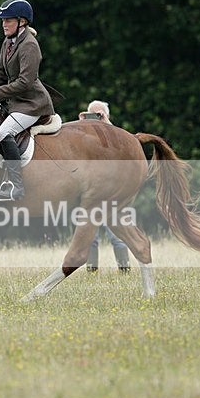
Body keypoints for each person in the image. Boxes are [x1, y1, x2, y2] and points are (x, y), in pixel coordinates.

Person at [0, 0, 55, 201]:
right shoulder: (8, 42)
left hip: (32, 104)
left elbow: (25, 82)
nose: (4, 24)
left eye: (8, 20)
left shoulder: (29, 45)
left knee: (5, 131)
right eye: (2, 20)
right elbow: (0, 74)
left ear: (22, 22)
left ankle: (17, 186)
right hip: (15, 102)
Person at [79, 100, 131, 273]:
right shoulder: (86, 137)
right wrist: (81, 123)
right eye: (93, 114)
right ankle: (91, 271)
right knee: (90, 238)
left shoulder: (114, 135)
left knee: (117, 235)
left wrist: (106, 123)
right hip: (92, 194)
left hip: (112, 194)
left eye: (99, 114)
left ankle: (124, 269)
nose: (96, 118)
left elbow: (121, 144)